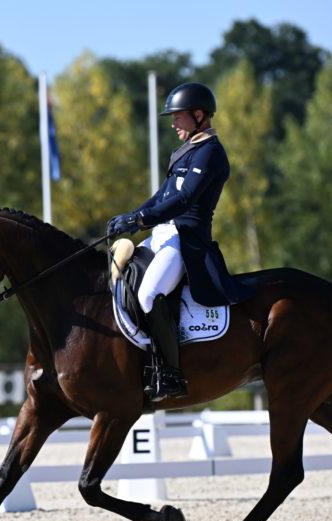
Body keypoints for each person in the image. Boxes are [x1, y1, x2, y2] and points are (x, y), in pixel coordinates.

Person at [107, 82, 254, 401]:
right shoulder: (184, 151)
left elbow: (186, 199)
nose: (173, 123)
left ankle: (169, 373)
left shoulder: (211, 152)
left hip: (185, 239)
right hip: (162, 234)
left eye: (178, 117)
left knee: (149, 294)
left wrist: (141, 220)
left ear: (199, 115)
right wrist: (131, 216)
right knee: (121, 279)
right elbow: (162, 196)